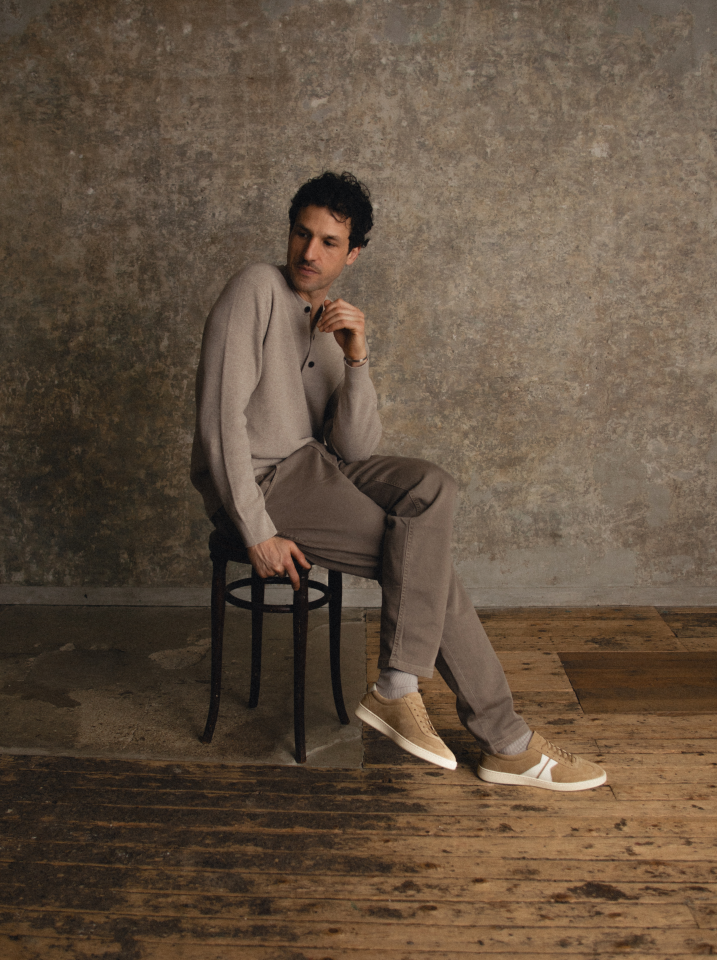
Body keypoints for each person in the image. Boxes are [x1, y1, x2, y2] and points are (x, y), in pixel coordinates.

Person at [191, 171, 606, 792]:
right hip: (264, 481)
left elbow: (356, 448)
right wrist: (254, 529)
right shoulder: (257, 287)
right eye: (303, 235)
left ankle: (402, 686)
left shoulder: (329, 320)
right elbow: (219, 421)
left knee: (432, 489)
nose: (310, 252)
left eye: (330, 242)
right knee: (424, 563)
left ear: (352, 253)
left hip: (318, 469)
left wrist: (357, 356)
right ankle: (503, 740)